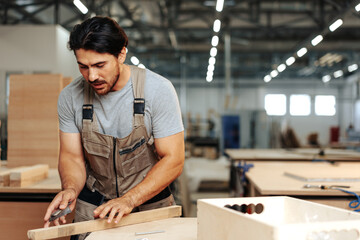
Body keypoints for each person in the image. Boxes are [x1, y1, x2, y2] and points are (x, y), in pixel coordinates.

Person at [43, 16, 184, 240]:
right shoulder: (71, 97)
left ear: (121, 54)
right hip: (95, 207)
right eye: (83, 66)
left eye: (100, 65)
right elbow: (72, 157)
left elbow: (173, 159)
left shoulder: (158, 90)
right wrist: (70, 189)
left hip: (150, 207)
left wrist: (129, 199)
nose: (92, 76)